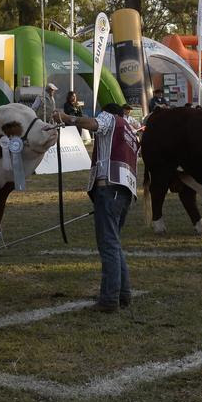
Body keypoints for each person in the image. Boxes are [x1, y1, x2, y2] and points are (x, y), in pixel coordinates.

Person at [54, 101, 139, 311]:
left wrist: (68, 118)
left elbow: (94, 124)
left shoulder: (109, 118)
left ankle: (109, 299)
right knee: (114, 243)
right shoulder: (129, 130)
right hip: (125, 190)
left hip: (108, 187)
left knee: (108, 245)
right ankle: (123, 294)